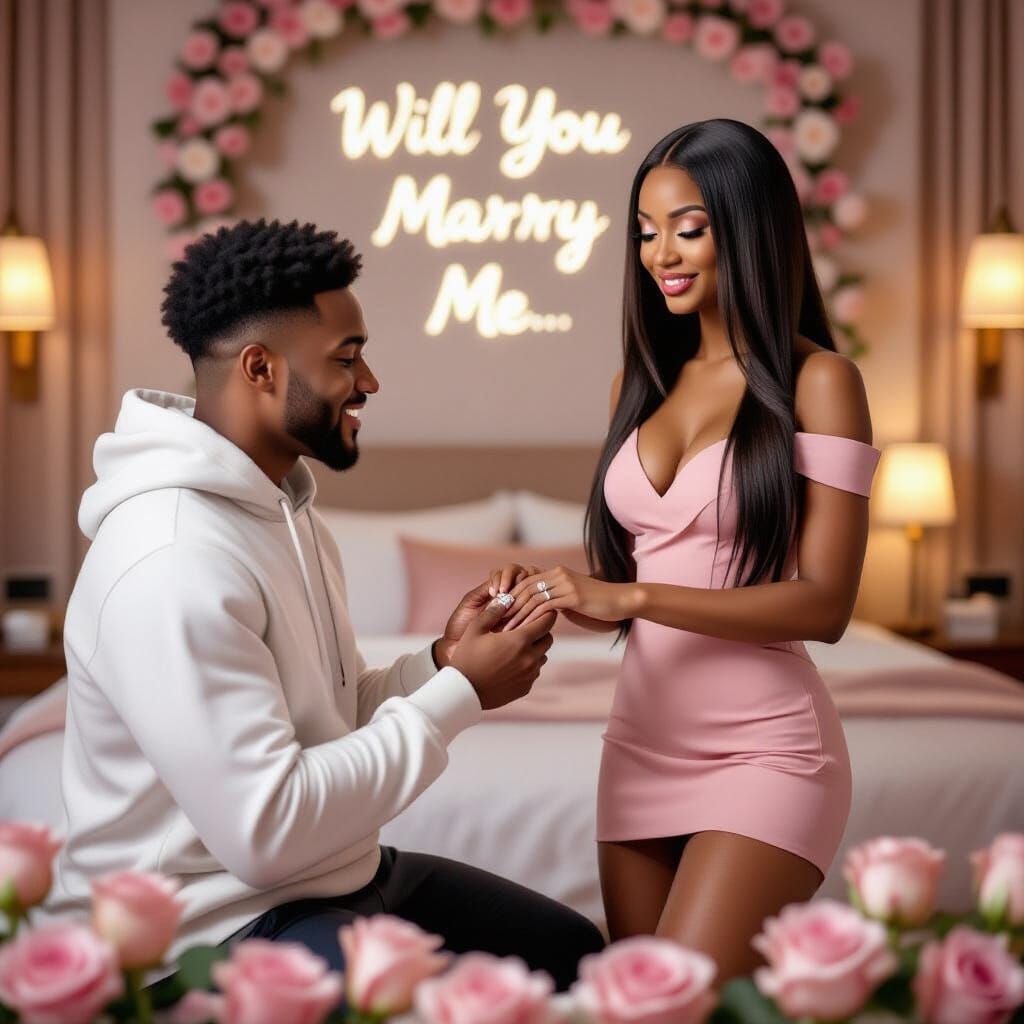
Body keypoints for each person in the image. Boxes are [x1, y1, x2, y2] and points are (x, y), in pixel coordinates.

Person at [50, 218, 604, 989]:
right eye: (348, 359)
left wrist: (439, 661)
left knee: (572, 954)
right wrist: (462, 693)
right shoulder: (171, 557)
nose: (370, 382)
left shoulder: (288, 513)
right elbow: (266, 830)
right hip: (207, 927)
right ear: (261, 368)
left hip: (329, 878)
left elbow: (328, 719)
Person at [497, 118, 881, 986]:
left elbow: (825, 604)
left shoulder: (819, 382)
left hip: (767, 751)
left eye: (688, 227)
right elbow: (657, 554)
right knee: (635, 1004)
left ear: (747, 229)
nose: (660, 252)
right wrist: (546, 590)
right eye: (644, 230)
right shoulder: (636, 387)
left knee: (680, 1005)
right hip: (639, 742)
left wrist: (628, 599)